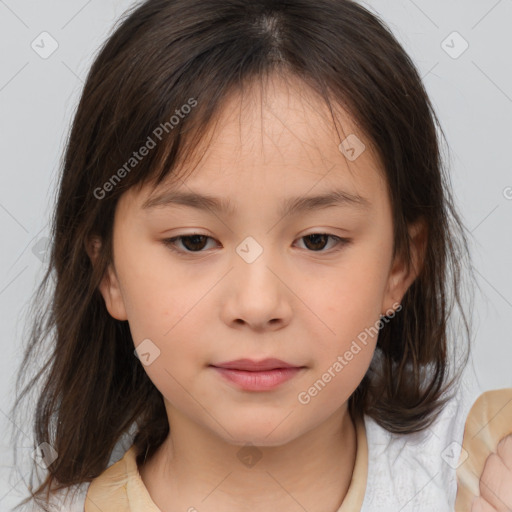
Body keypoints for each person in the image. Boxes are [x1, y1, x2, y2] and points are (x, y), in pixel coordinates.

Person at [9, 0, 511, 511]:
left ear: (400, 265)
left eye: (317, 240)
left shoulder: (479, 468)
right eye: (193, 241)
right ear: (109, 271)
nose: (257, 304)